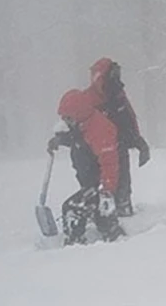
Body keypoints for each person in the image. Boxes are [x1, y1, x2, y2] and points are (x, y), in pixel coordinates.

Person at [48, 88, 125, 245]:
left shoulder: (100, 130)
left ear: (78, 113)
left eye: (68, 118)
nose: (65, 121)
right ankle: (111, 233)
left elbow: (109, 163)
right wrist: (59, 141)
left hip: (102, 183)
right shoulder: (82, 125)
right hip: (91, 182)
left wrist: (106, 191)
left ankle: (76, 244)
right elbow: (77, 139)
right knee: (100, 217)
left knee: (73, 208)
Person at [86, 58, 149, 217]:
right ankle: (101, 215)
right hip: (96, 152)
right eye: (113, 75)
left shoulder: (118, 94)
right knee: (96, 184)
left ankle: (123, 210)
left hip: (119, 146)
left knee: (122, 183)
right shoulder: (89, 99)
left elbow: (128, 119)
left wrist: (138, 141)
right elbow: (77, 122)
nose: (117, 78)